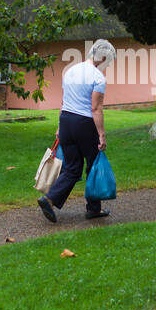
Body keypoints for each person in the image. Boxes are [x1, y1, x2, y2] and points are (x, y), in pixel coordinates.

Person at [37, 39, 116, 223]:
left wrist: (59, 127)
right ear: (103, 56)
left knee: (72, 168)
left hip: (66, 121)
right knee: (93, 165)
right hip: (84, 124)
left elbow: (64, 103)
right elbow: (95, 109)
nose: (108, 65)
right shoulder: (97, 77)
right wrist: (102, 135)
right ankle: (93, 209)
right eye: (109, 60)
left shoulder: (70, 71)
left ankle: (49, 199)